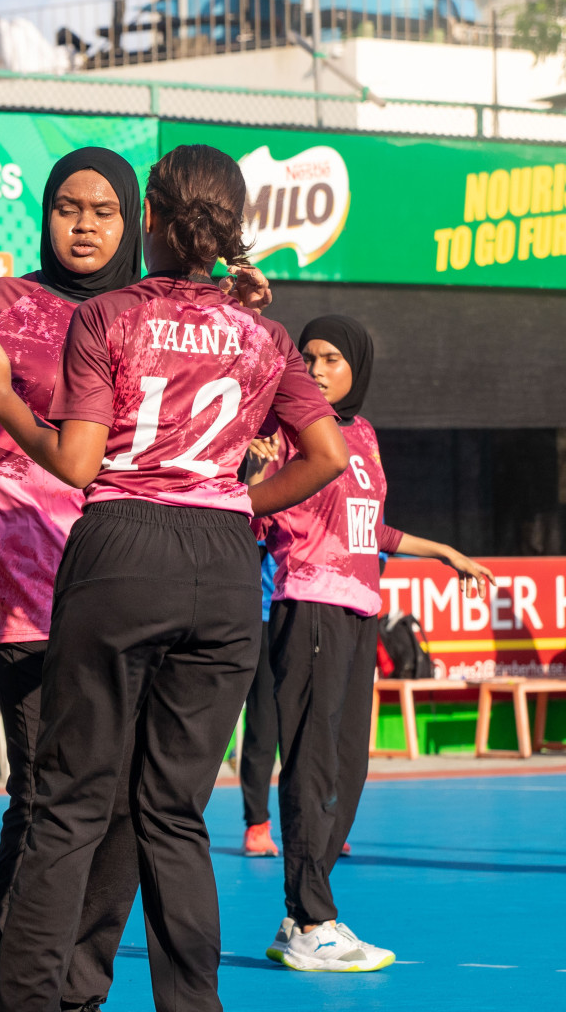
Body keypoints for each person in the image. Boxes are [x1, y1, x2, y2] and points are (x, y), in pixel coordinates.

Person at [0, 143, 349, 1012]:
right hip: (223, 564)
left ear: (152, 221)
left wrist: (3, 396)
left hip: (125, 550)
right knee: (173, 815)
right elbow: (329, 454)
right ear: (233, 227)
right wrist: (243, 506)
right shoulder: (265, 335)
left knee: (66, 805)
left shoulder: (112, 318)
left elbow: (79, 461)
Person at [249, 314, 494, 972]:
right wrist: (252, 464)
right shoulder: (282, 431)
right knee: (312, 764)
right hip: (310, 604)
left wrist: (441, 551)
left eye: (333, 358)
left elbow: (371, 529)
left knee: (348, 771)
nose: (320, 368)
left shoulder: (363, 435)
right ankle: (312, 919)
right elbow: (247, 503)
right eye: (310, 357)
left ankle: (299, 913)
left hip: (359, 611)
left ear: (358, 368)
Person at [239, 530, 281, 857]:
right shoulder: (274, 480)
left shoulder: (362, 486)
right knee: (264, 722)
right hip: (268, 616)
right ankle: (257, 824)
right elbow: (253, 549)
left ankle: (321, 823)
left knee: (320, 724)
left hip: (322, 614)